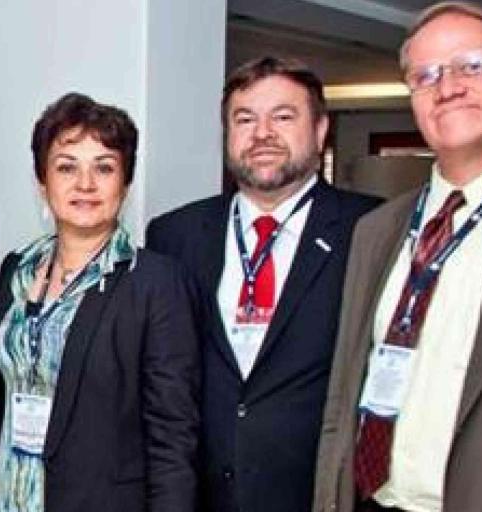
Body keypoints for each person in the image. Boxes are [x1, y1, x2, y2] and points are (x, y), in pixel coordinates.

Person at [314, 2, 482, 511]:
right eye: (425, 76)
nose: (448, 87)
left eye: (472, 65)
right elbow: (343, 398)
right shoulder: (377, 230)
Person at [146, 57, 380, 512]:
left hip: (319, 496)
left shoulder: (371, 228)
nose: (262, 134)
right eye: (245, 119)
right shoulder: (174, 235)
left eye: (283, 117)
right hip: (203, 497)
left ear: (320, 130)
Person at [0, 92, 200, 512]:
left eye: (104, 167)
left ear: (125, 183)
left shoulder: (155, 283)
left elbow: (173, 438)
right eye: (67, 167)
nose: (85, 184)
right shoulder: (15, 270)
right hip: (8, 497)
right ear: (42, 182)